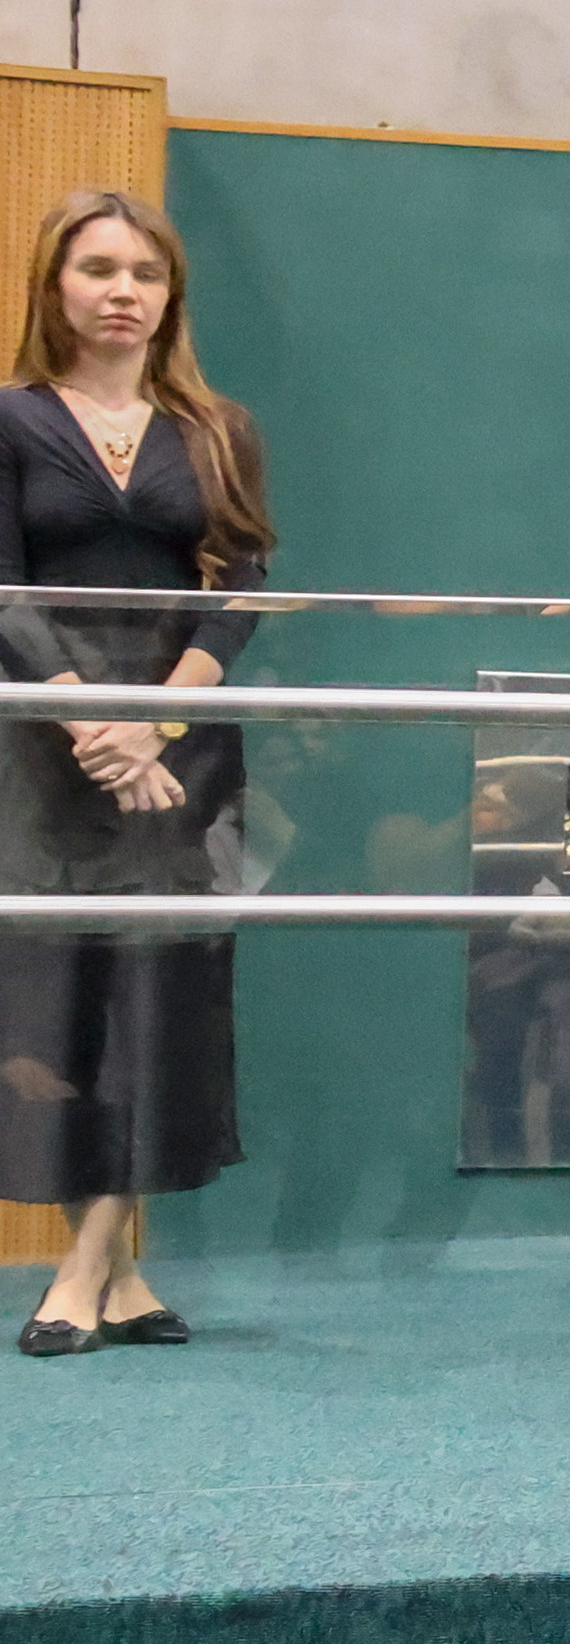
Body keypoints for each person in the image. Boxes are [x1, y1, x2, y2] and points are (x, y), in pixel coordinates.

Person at [0, 188, 270, 1355]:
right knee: (61, 993)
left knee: (160, 993)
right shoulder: (11, 420)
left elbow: (241, 588)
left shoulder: (217, 428)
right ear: (54, 287)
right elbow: (2, 593)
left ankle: (84, 1268)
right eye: (99, 269)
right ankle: (116, 1276)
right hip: (42, 742)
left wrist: (154, 724)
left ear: (171, 296)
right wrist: (93, 726)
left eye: (145, 274)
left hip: (179, 748)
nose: (123, 292)